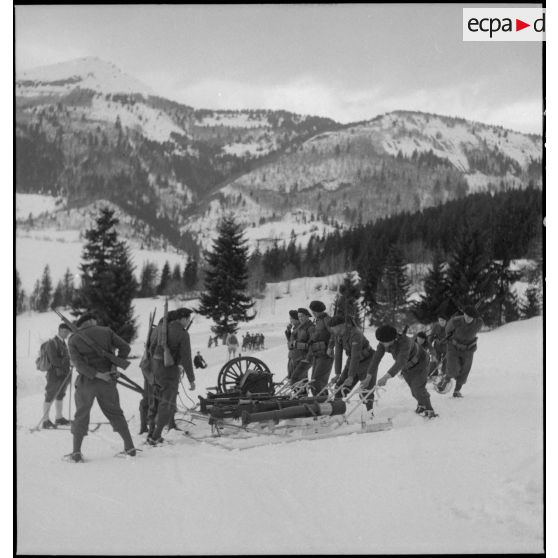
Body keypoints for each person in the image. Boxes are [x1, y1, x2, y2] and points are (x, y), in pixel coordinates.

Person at [67, 313, 136, 462]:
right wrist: (114, 367)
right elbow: (125, 348)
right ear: (91, 321)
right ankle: (130, 448)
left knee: (81, 415)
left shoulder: (73, 339)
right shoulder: (106, 331)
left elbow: (78, 364)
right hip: (108, 381)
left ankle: (76, 453)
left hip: (87, 381)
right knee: (115, 413)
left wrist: (96, 374)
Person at [147, 308, 196, 444]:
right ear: (183, 319)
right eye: (187, 319)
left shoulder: (162, 327)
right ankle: (156, 436)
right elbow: (186, 358)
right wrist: (191, 380)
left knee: (156, 400)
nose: (187, 322)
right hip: (169, 371)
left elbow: (151, 346)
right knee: (167, 404)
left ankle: (151, 431)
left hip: (155, 369)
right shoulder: (183, 334)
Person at [370, 324, 438, 418]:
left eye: (383, 342)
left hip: (420, 363)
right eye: (380, 342)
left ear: (392, 339)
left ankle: (430, 410)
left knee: (418, 388)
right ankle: (421, 405)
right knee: (414, 390)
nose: (381, 344)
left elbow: (400, 361)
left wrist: (386, 377)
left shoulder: (405, 342)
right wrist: (368, 376)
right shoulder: (383, 343)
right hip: (406, 368)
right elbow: (375, 359)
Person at [328, 315, 375, 414]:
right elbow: (338, 355)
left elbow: (356, 356)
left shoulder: (355, 334)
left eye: (333, 327)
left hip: (367, 361)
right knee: (339, 388)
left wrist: (350, 376)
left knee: (366, 390)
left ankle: (370, 414)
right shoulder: (338, 335)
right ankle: (337, 413)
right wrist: (337, 373)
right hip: (352, 361)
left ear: (340, 326)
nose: (332, 330)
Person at [437, 306, 484, 397]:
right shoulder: (455, 321)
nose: (467, 318)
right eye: (466, 315)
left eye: (470, 317)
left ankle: (457, 391)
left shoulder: (479, 323)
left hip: (468, 350)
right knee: (453, 368)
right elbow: (448, 330)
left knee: (464, 371)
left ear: (474, 317)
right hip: (453, 347)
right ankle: (445, 380)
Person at [41, 323, 72, 428]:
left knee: (60, 395)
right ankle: (45, 421)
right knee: (50, 396)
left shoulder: (63, 343)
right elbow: (54, 361)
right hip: (54, 374)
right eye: (64, 331)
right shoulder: (52, 343)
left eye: (68, 332)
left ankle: (59, 418)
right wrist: (67, 361)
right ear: (59, 330)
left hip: (63, 374)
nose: (66, 334)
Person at [307, 300, 334, 396]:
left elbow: (334, 333)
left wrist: (330, 347)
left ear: (318, 310)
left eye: (314, 311)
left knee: (318, 382)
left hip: (325, 355)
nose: (313, 313)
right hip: (317, 355)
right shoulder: (317, 320)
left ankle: (325, 404)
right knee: (314, 382)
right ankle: (319, 403)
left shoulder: (327, 319)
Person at [289, 308, 313, 389]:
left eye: (302, 316)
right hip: (297, 357)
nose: (300, 318)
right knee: (299, 382)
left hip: (305, 358)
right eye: (299, 317)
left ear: (307, 316)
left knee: (297, 380)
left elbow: (312, 345)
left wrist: (298, 345)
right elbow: (292, 340)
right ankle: (300, 399)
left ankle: (302, 398)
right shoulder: (300, 328)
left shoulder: (311, 328)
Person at [428, 311, 449, 376]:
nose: (441, 322)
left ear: (446, 321)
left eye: (443, 320)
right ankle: (433, 374)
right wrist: (429, 346)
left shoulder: (450, 327)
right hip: (437, 347)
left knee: (446, 361)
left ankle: (444, 374)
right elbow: (431, 336)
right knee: (435, 360)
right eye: (440, 320)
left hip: (447, 347)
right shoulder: (436, 326)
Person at [285, 309, 300, 380]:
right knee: (292, 378)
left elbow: (294, 344)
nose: (290, 320)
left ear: (296, 319)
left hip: (296, 357)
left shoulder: (300, 328)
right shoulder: (295, 328)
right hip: (292, 356)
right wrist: (288, 332)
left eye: (291, 318)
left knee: (297, 379)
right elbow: (291, 341)